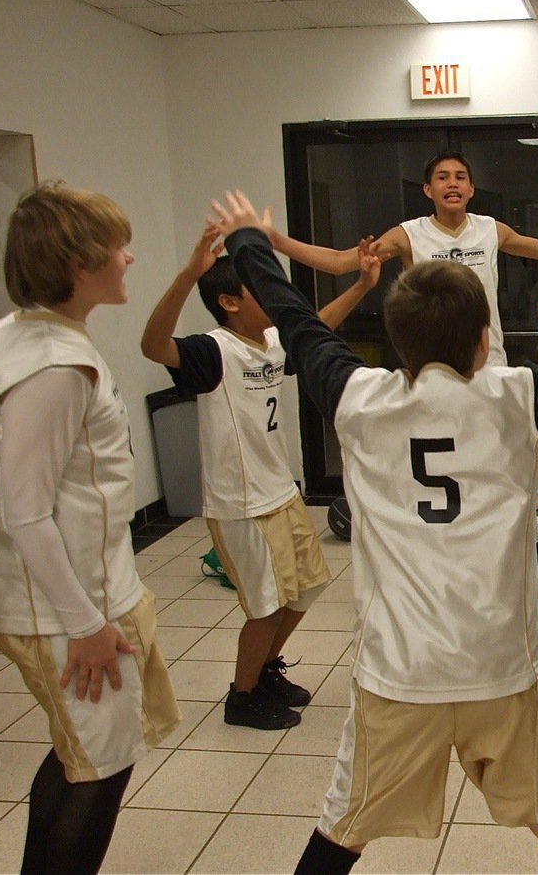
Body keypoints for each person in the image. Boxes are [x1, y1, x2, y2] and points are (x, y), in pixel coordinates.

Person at [206, 171, 538, 875]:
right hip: (503, 672)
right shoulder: (519, 401)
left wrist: (249, 240)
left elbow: (296, 323)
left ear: (396, 338)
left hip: (400, 675)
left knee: (338, 838)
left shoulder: (359, 400)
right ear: (485, 337)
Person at [268, 150, 538, 594]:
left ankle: (529, 545)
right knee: (448, 467)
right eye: (442, 177)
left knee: (508, 469)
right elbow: (339, 262)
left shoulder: (489, 229)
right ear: (427, 190)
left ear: (470, 188)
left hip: (491, 370)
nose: (452, 182)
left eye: (460, 176)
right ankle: (444, 554)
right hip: (433, 374)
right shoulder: (409, 235)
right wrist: (270, 240)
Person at [0, 183, 180, 872]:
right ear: (76, 267)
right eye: (114, 247)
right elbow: (24, 511)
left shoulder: (32, 331)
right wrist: (85, 625)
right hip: (63, 613)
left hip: (85, 595)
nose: (129, 256)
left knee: (82, 757)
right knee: (98, 770)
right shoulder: (52, 366)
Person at [140, 227, 377, 730]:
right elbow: (153, 345)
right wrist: (188, 275)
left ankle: (265, 669)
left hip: (281, 491)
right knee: (266, 606)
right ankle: (242, 697)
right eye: (258, 289)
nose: (272, 296)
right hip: (241, 501)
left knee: (307, 588)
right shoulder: (213, 350)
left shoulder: (269, 342)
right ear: (228, 300)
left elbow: (314, 329)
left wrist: (361, 286)